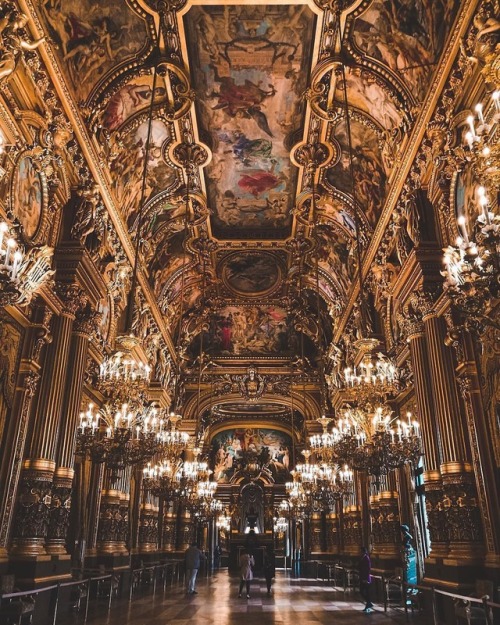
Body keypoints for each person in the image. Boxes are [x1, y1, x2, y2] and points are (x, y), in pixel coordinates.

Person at [359, 546, 373, 613]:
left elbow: (368, 569)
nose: (359, 552)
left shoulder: (366, 558)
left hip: (366, 579)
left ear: (364, 551)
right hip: (363, 578)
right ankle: (369, 603)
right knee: (362, 592)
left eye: (361, 551)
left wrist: (366, 579)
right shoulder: (362, 558)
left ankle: (368, 604)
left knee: (365, 592)